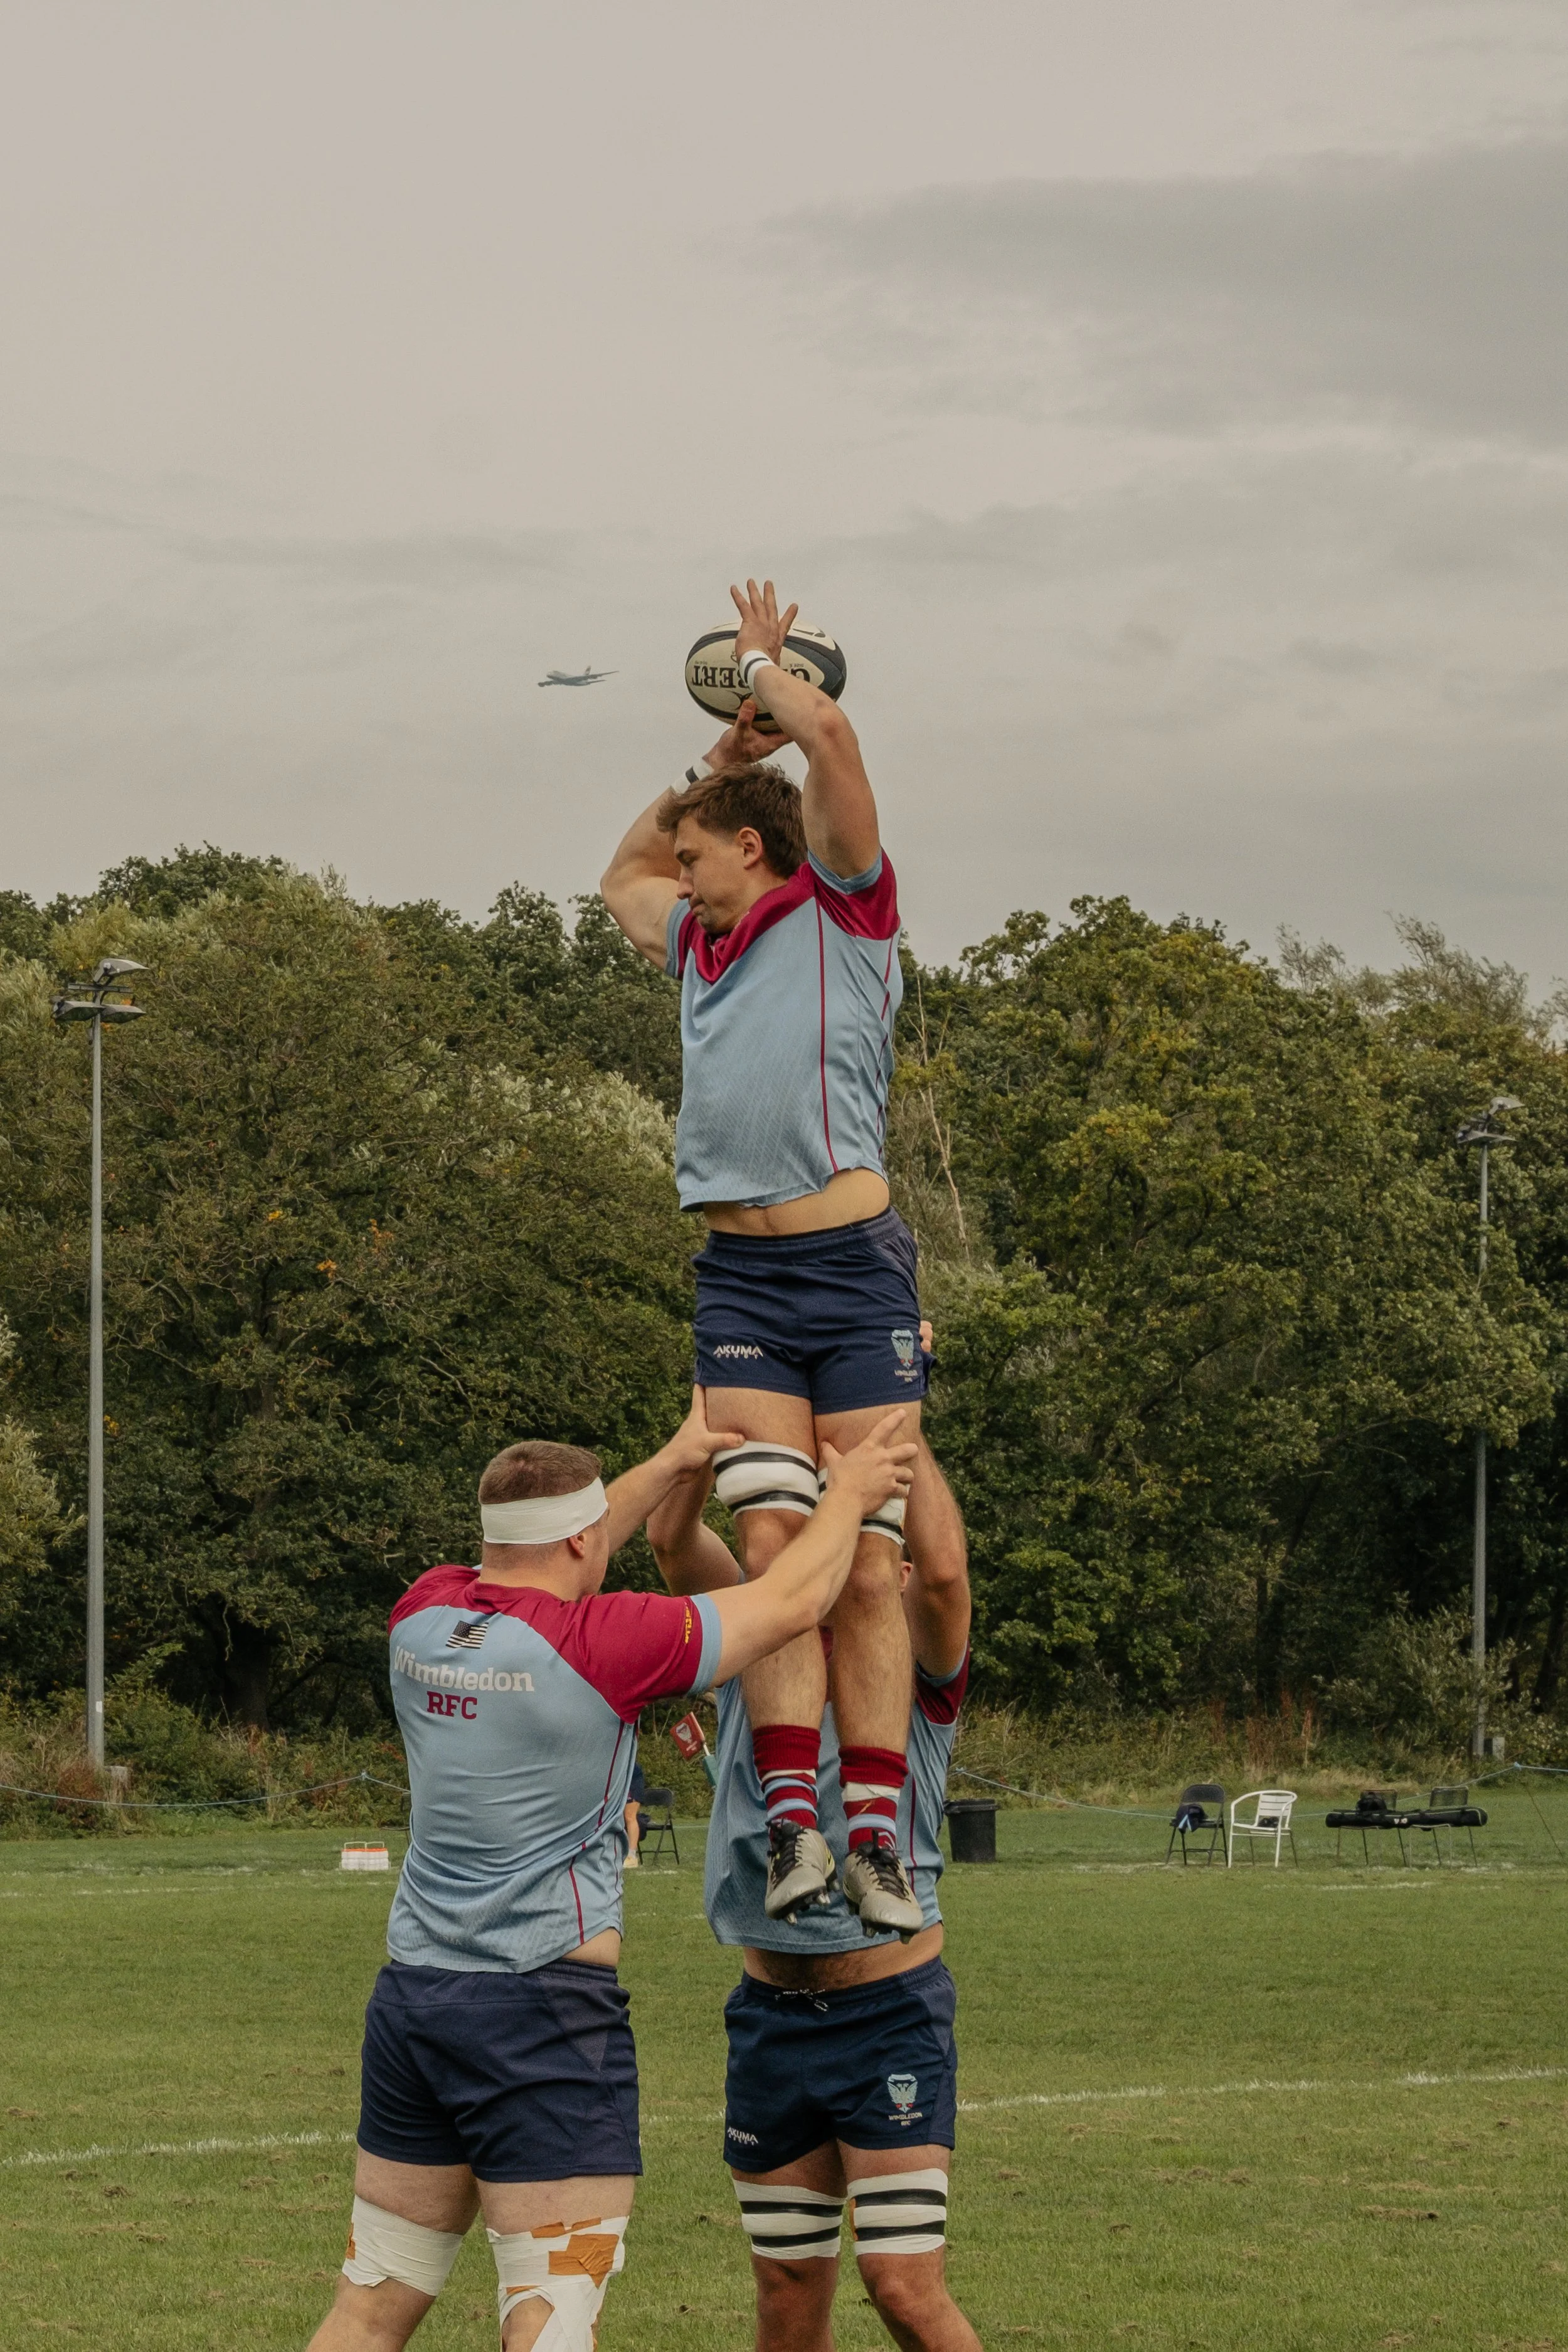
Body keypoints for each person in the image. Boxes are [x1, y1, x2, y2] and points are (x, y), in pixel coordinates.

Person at [305, 1389, 916, 2352]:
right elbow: (793, 1603)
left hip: (414, 2002)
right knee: (550, 2315)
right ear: (588, 1543)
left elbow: (548, 1557)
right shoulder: (606, 1645)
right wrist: (851, 1496)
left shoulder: (423, 1614)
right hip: (544, 2017)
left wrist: (678, 1460)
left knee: (370, 2304)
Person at [601, 576, 943, 1941]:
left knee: (866, 1561)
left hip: (853, 1272)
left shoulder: (844, 915)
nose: (680, 873)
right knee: (767, 1546)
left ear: (756, 849)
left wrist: (767, 674)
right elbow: (617, 872)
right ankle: (794, 1831)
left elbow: (842, 754)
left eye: (702, 850)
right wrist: (711, 760)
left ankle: (875, 1839)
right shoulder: (694, 938)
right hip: (737, 1283)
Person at [647, 1436, 982, 2352]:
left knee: (904, 2286)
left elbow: (947, 1572)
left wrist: (894, 1412)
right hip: (771, 2015)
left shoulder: (915, 1667)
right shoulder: (759, 1632)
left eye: (890, 1551)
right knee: (787, 2295)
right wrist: (706, 1438)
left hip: (887, 2011)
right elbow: (673, 1542)